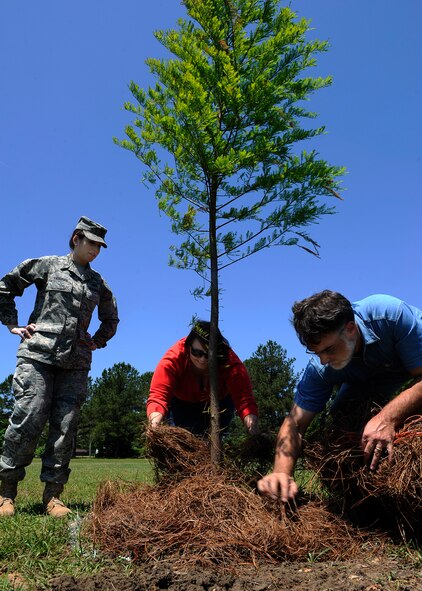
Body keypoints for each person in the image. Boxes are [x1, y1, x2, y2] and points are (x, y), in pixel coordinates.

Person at [0, 216, 119, 517]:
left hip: (75, 363)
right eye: (91, 243)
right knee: (28, 418)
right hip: (37, 356)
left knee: (65, 429)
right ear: (76, 239)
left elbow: (111, 318)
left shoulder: (97, 283)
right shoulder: (48, 266)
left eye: (100, 246)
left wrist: (97, 340)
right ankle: (5, 494)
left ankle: (53, 497)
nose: (96, 250)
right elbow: (6, 286)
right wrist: (12, 324)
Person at [257, 290, 422, 502]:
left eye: (329, 350)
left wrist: (387, 418)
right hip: (369, 383)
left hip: (415, 369)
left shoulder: (390, 316)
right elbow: (295, 424)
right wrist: (281, 471)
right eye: (317, 353)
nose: (324, 360)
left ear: (350, 330)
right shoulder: (319, 369)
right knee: (340, 421)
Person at [147, 321, 259, 436]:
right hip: (181, 404)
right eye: (196, 353)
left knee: (212, 442)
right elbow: (158, 397)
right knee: (183, 440)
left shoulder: (230, 361)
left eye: (208, 355)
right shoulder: (173, 358)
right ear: (188, 347)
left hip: (221, 403)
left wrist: (253, 430)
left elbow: (244, 399)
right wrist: (154, 427)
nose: (202, 359)